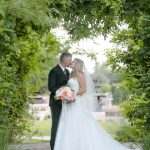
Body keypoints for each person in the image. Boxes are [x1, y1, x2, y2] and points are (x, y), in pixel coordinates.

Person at [53, 58, 135, 150]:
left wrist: (72, 95)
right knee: (69, 125)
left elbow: (84, 89)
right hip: (70, 103)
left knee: (78, 124)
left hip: (76, 103)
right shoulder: (72, 75)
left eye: (73, 62)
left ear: (77, 64)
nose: (71, 62)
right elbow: (71, 87)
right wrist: (65, 92)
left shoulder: (80, 74)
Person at [48, 52, 72, 150]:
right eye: (70, 60)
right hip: (56, 103)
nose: (71, 62)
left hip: (67, 103)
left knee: (65, 124)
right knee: (56, 124)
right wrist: (62, 94)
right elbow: (51, 87)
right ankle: (53, 146)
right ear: (64, 60)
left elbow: (68, 86)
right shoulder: (54, 71)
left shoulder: (68, 72)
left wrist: (69, 95)